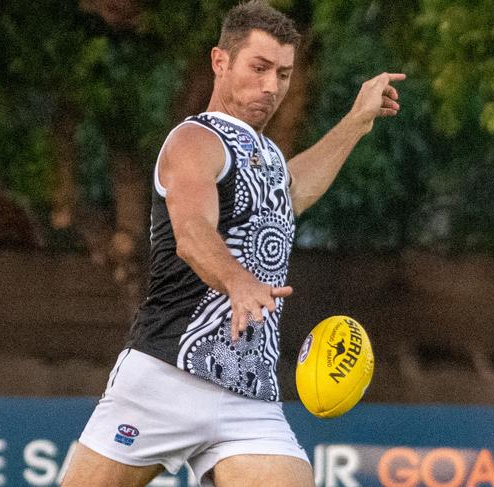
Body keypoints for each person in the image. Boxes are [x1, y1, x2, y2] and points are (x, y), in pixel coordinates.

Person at [61, 1, 405, 486]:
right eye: (259, 67)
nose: (271, 86)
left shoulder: (263, 153)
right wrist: (239, 282)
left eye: (283, 74)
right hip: (165, 378)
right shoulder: (194, 141)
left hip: (248, 395)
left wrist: (356, 122)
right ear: (220, 61)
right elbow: (193, 233)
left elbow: (290, 192)